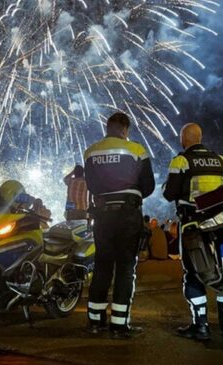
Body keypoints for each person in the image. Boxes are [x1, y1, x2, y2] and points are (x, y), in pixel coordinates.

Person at [163, 122, 223, 340]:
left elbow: (170, 194)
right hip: (222, 224)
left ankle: (201, 325)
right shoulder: (221, 160)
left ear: (184, 140)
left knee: (193, 273)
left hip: (193, 226)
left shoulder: (181, 161)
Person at [84, 112, 155, 338]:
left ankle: (94, 322)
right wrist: (132, 195)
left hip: (102, 214)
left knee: (102, 265)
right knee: (125, 267)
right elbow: (149, 184)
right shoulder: (136, 150)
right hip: (127, 214)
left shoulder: (91, 151)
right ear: (125, 129)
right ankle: (119, 325)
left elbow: (92, 185)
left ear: (107, 127)